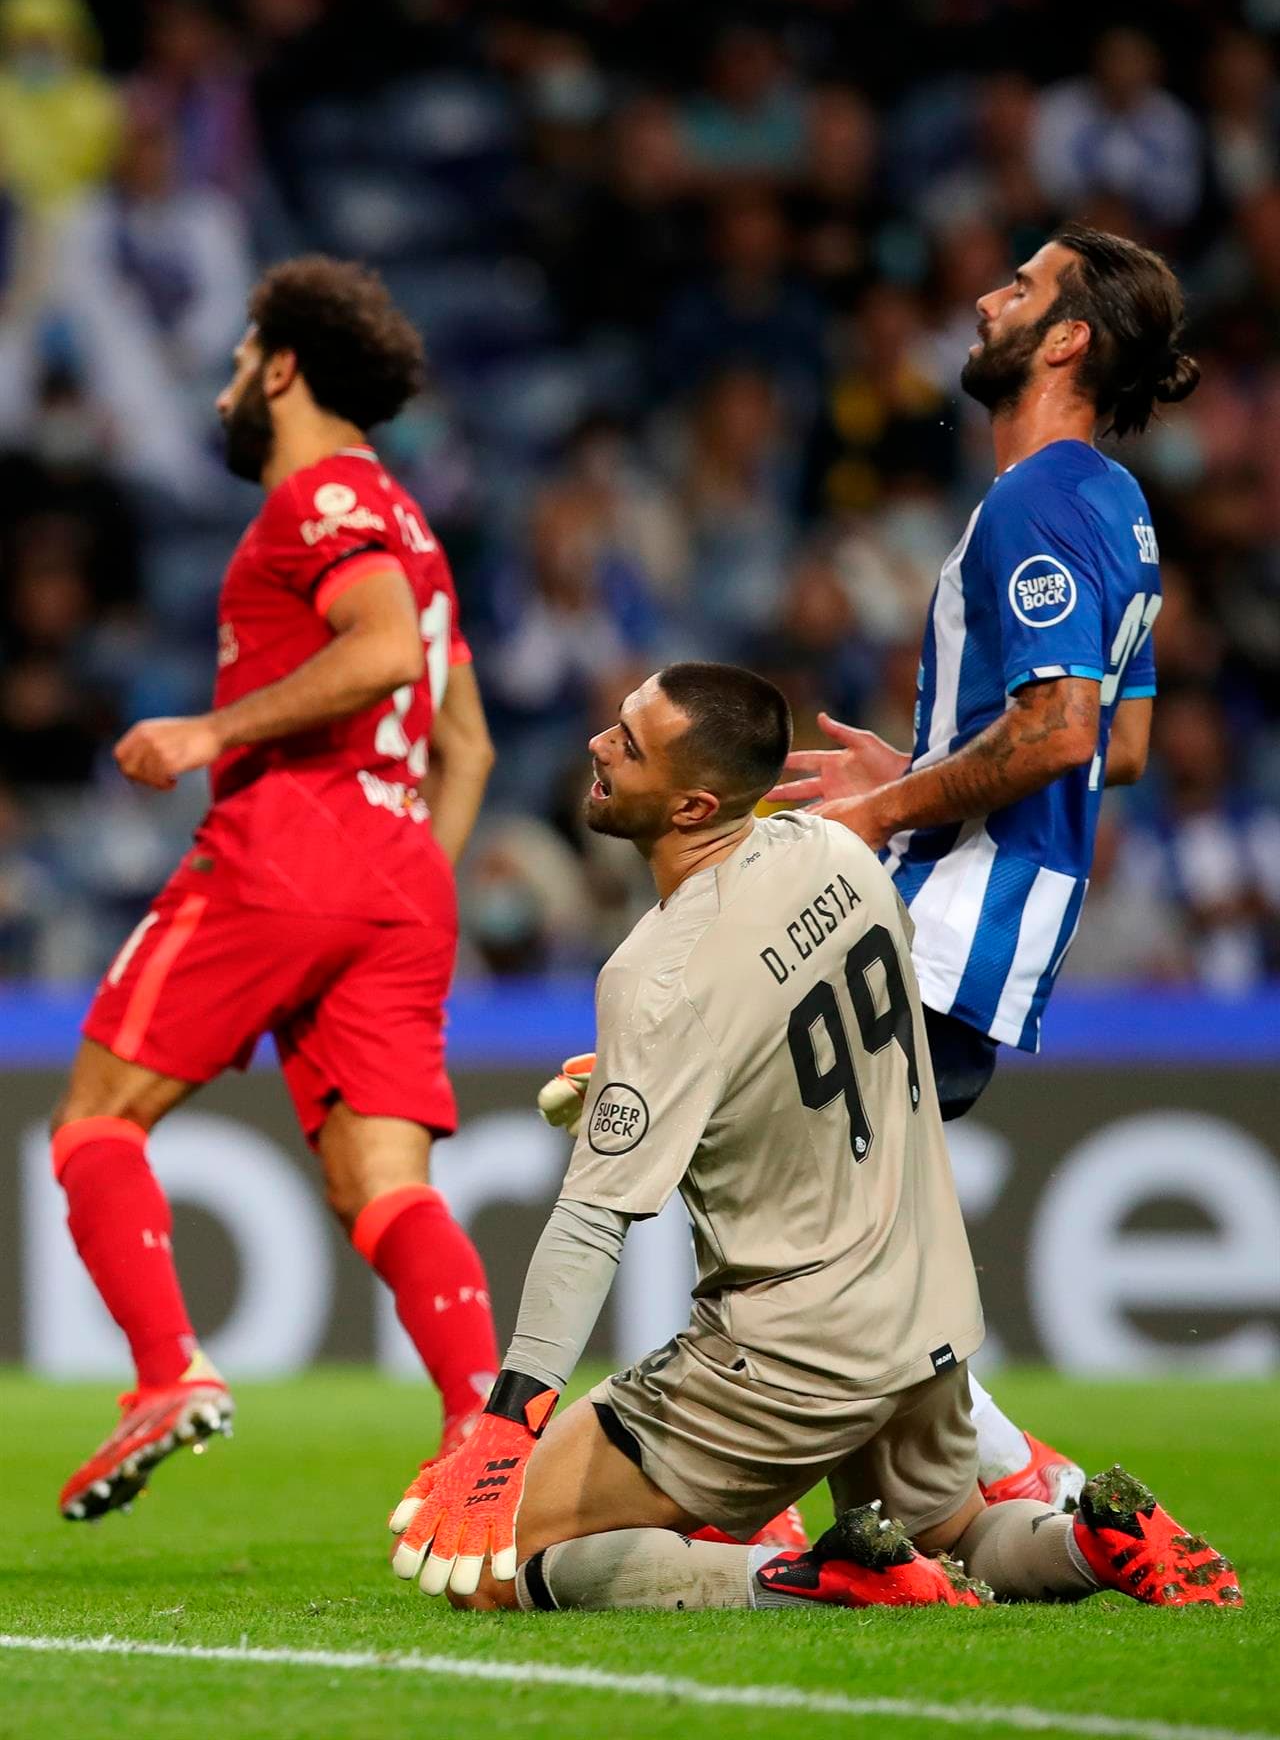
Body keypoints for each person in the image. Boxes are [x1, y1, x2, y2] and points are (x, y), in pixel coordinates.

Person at [386, 663, 1240, 1615]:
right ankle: (1094, 1540)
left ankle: (808, 1580)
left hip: (792, 1352)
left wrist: (511, 1423)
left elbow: (591, 1226)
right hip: (924, 1306)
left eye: (628, 742)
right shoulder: (831, 855)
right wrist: (632, 1075)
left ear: (693, 803)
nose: (598, 742)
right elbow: (782, 1028)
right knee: (952, 1533)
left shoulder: (654, 977)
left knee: (491, 1565)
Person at [51, 256, 500, 1522]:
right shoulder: (414, 524)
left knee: (95, 1119)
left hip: (292, 836)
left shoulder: (316, 500)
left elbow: (369, 649)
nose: (224, 394)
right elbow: (465, 743)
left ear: (285, 366)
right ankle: (480, 1435)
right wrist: (406, 874)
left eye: (242, 363)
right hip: (401, 864)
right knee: (381, 1185)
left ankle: (163, 1374)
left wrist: (207, 732)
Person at [769, 226, 1195, 1510]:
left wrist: (888, 803)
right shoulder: (1116, 507)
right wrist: (923, 764)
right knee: (837, 1233)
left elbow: (1063, 732)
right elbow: (1120, 745)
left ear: (1065, 337)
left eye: (1018, 286)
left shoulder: (1035, 500)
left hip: (947, 923)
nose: (983, 295)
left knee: (795, 1216)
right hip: (993, 924)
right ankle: (977, 1505)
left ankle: (1024, 1489)